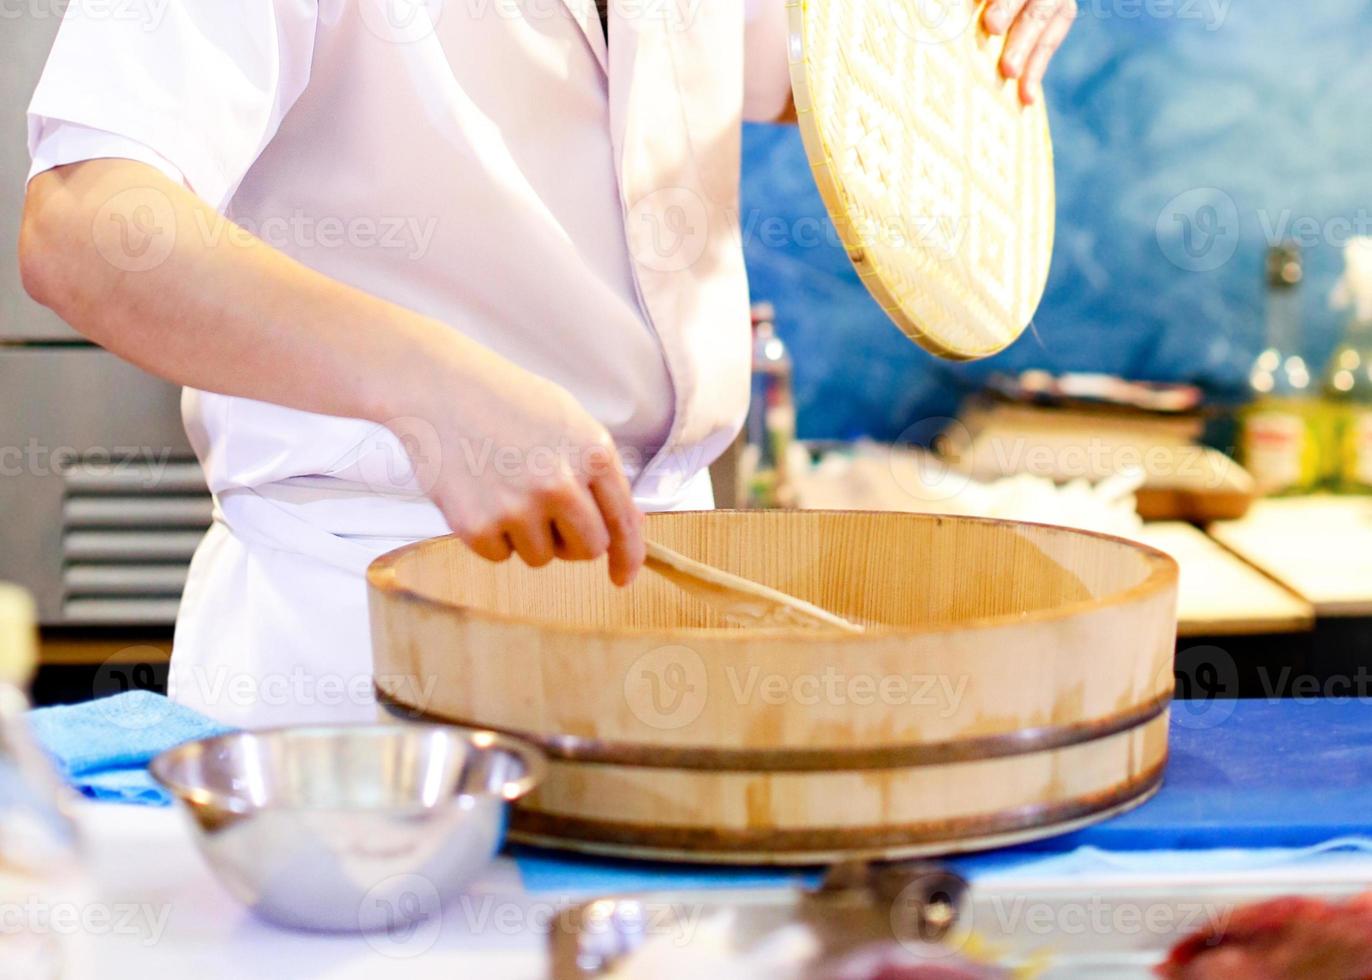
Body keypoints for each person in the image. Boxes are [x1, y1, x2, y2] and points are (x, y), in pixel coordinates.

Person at [19, 0, 1076, 728]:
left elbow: (813, 69)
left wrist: (962, 33)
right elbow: (81, 226)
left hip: (667, 606)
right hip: (364, 647)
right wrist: (428, 387)